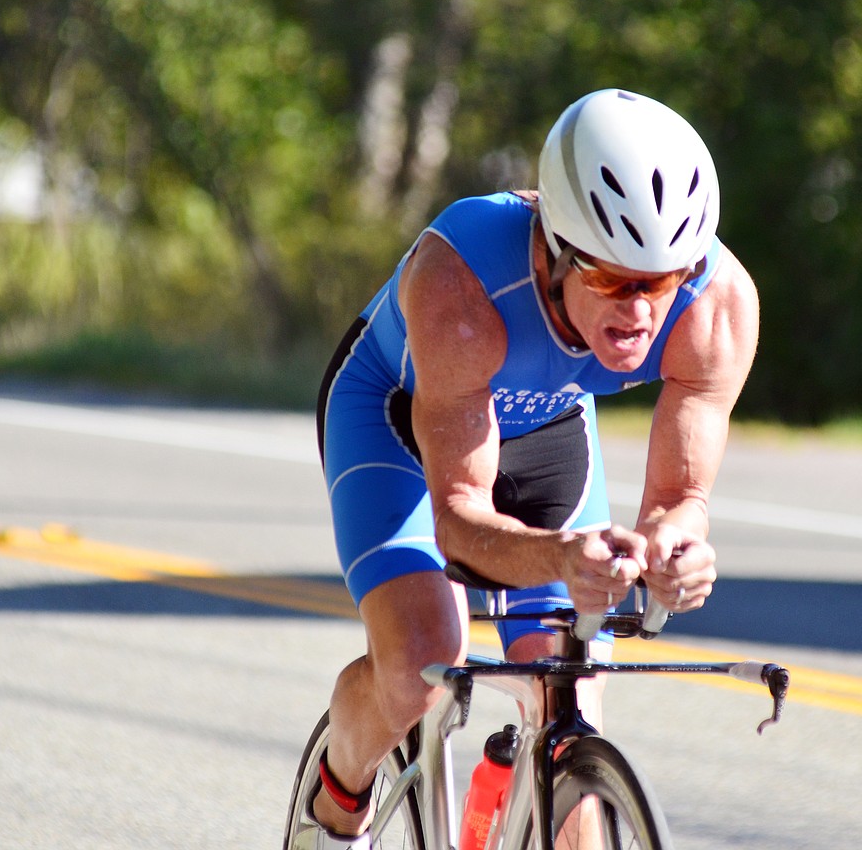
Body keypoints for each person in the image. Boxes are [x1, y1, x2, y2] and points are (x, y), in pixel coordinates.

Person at [310, 89, 759, 848]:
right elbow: (458, 521)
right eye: (615, 280)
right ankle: (334, 804)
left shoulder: (716, 305)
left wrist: (675, 549)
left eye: (662, 280)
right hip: (397, 419)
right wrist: (559, 558)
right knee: (421, 663)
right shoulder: (461, 286)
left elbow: (681, 498)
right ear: (554, 252)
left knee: (569, 694)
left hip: (547, 425)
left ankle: (527, 790)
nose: (644, 311)